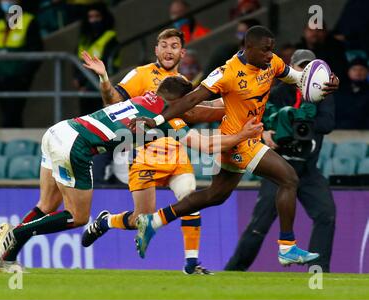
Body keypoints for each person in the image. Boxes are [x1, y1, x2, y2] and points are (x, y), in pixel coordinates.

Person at [0, 76, 264, 272]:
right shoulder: (169, 118)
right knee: (78, 216)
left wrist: (237, 102)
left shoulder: (146, 98)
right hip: (78, 145)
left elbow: (201, 111)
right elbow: (206, 144)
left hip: (58, 131)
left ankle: (7, 257)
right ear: (179, 101)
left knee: (47, 205)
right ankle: (16, 232)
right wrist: (243, 134)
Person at [129, 26, 340, 266]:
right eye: (264, 50)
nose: (270, 55)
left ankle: (154, 221)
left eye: (271, 49)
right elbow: (191, 99)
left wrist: (327, 84)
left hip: (244, 138)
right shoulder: (226, 73)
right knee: (289, 179)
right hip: (237, 141)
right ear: (247, 48)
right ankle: (287, 246)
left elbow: (298, 78)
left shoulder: (273, 63)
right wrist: (156, 120)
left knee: (214, 195)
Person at [80, 29, 215, 274]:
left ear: (182, 52)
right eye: (164, 45)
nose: (168, 50)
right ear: (156, 49)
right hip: (146, 156)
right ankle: (106, 221)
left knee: (190, 201)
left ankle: (191, 264)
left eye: (174, 46)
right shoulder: (141, 74)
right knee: (139, 220)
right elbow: (112, 104)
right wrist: (103, 79)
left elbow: (198, 112)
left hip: (176, 154)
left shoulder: (184, 85)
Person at [224, 49, 336, 272]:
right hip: (279, 169)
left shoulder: (323, 94)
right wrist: (264, 133)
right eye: (301, 67)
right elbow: (253, 119)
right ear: (291, 68)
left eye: (309, 68)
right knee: (259, 224)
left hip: (307, 169)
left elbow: (327, 125)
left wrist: (296, 119)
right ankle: (233, 271)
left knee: (326, 215)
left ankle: (319, 270)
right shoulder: (275, 93)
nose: (305, 72)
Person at [0, 0, 43, 127]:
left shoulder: (28, 21)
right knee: (5, 112)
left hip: (18, 78)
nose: (6, 2)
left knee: (14, 112)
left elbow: (36, 51)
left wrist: (24, 75)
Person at [73, 2, 119, 115]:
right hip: (83, 87)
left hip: (99, 85)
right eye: (90, 17)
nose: (93, 20)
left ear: (104, 18)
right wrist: (77, 80)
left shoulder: (110, 37)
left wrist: (87, 86)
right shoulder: (84, 39)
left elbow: (107, 65)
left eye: (97, 16)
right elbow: (76, 61)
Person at [334, 57, 369, 129]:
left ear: (367, 72)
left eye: (362, 69)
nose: (358, 73)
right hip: (340, 132)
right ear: (348, 72)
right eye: (354, 69)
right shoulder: (339, 91)